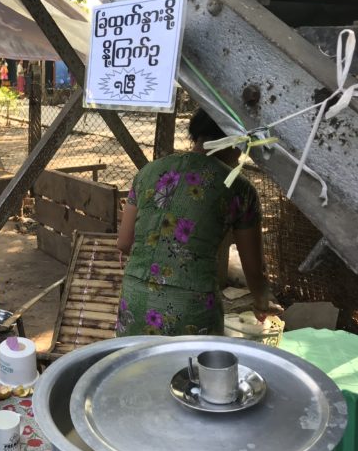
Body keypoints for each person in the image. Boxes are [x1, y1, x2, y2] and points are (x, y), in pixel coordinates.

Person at [116, 109, 277, 337]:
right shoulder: (240, 189)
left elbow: (124, 242)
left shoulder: (148, 172)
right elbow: (254, 268)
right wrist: (262, 302)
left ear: (197, 135)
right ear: (235, 141)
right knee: (192, 370)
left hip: (134, 302)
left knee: (137, 368)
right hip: (193, 307)